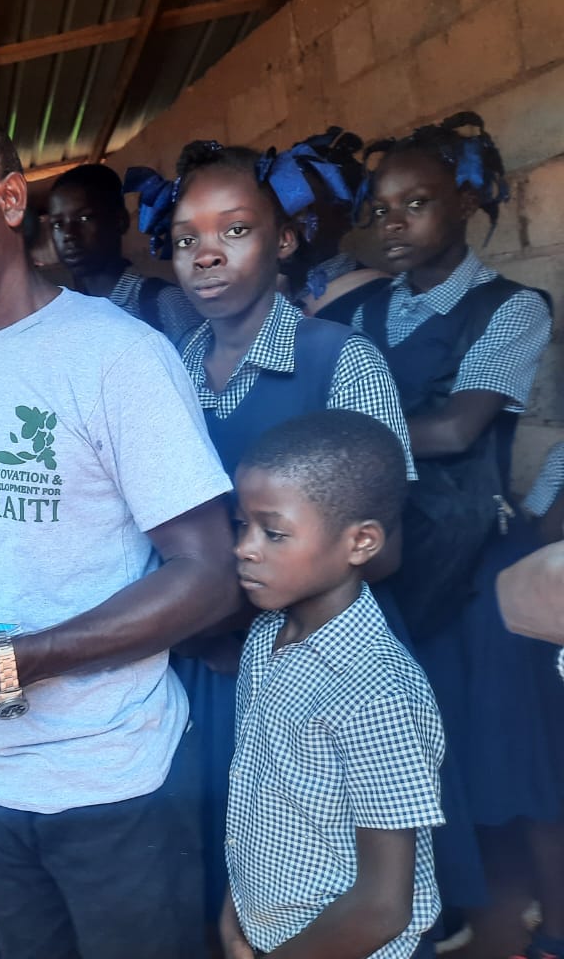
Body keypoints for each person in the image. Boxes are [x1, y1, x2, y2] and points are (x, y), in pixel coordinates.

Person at [0, 103, 238, 959]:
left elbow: (209, 573)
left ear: (11, 200)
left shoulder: (117, 357)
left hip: (118, 781)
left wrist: (2, 663)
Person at [133, 137, 415, 922]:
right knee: (220, 868)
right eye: (187, 240)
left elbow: (386, 546)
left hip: (309, 665)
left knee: (320, 875)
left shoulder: (340, 362)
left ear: (285, 239)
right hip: (199, 664)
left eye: (235, 230)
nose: (207, 255)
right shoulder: (165, 371)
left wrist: (254, 601)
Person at [352, 111, 555, 950]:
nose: (395, 225)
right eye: (384, 208)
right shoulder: (362, 310)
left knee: (510, 770)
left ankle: (542, 929)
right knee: (419, 767)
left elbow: (458, 430)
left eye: (418, 204)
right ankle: (442, 921)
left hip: (471, 570)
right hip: (388, 565)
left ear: (466, 202)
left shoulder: (511, 310)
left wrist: (348, 422)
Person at [222, 410, 444, 959]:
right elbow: (257, 799)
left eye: (274, 533)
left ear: (361, 542)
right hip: (267, 933)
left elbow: (383, 906)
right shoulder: (266, 637)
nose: (245, 548)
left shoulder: (376, 692)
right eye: (240, 525)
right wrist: (235, 919)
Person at [47, 162, 198, 342]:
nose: (69, 234)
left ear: (120, 221)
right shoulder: (68, 317)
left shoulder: (164, 303)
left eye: (84, 218)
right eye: (58, 224)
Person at [268, 127, 392, 324]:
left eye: (301, 214)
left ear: (342, 217)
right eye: (275, 216)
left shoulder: (376, 297)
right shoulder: (273, 301)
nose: (284, 233)